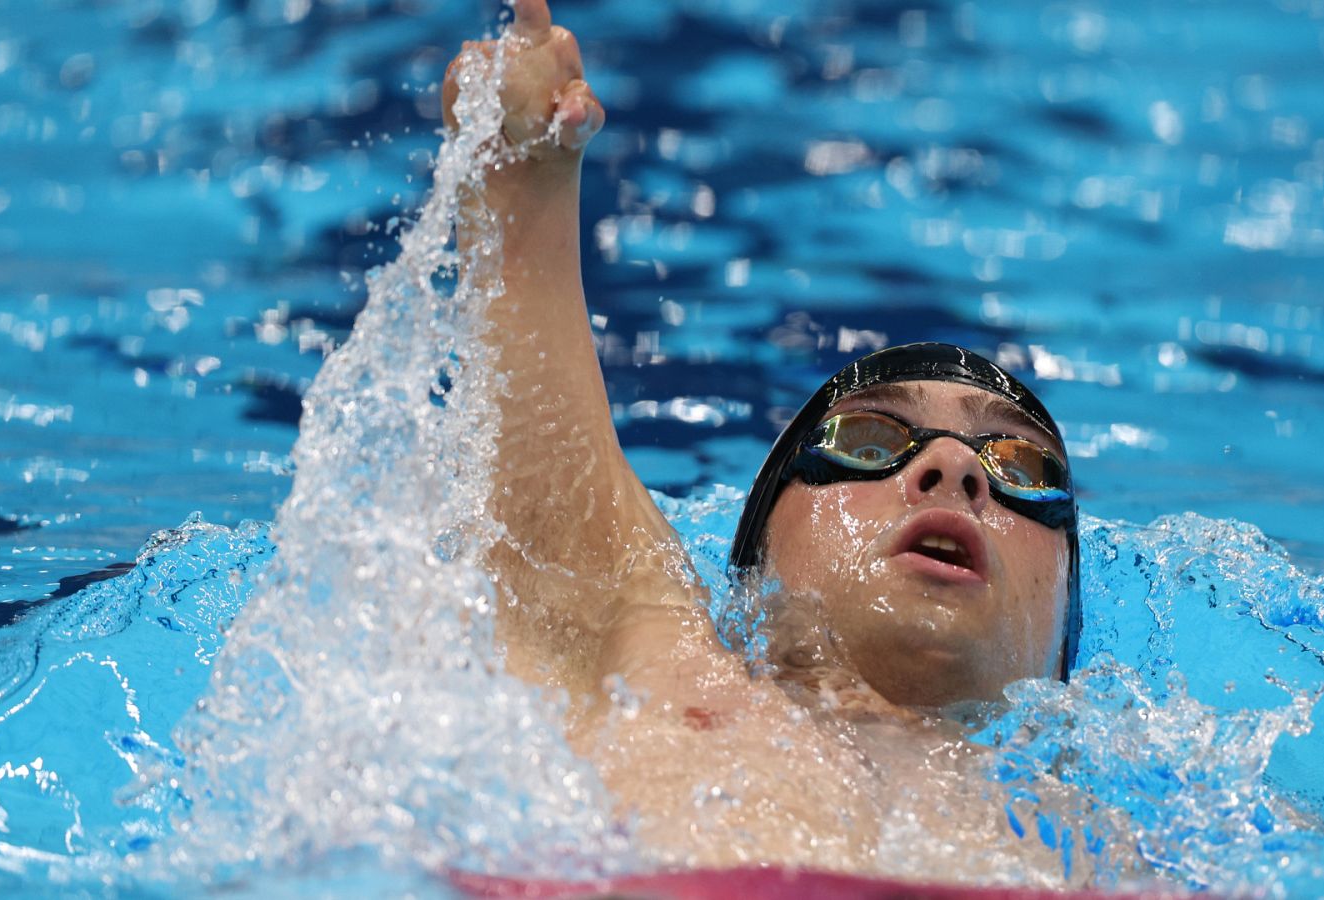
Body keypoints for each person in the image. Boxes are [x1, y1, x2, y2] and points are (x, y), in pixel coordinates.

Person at [442, 1, 1100, 884]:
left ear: (1067, 641)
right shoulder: (662, 663)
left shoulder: (1117, 837)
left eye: (1020, 469)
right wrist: (521, 172)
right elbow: (542, 489)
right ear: (751, 571)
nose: (953, 470)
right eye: (871, 440)